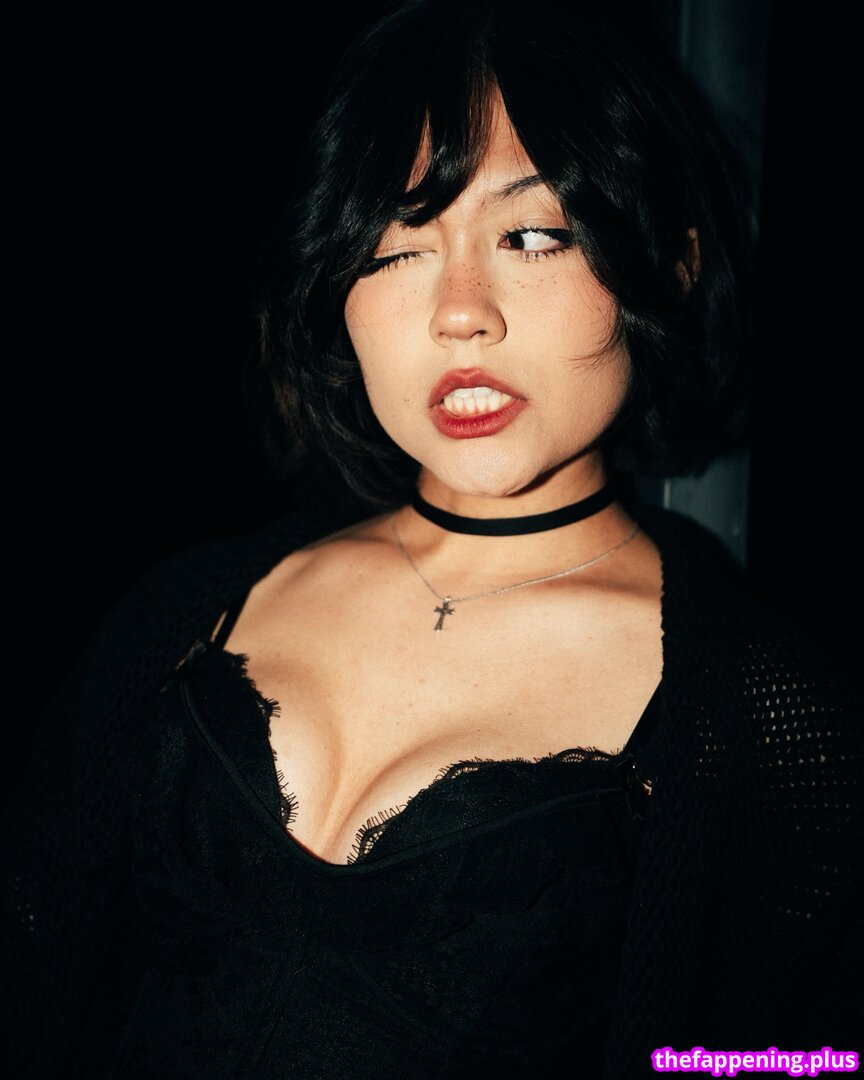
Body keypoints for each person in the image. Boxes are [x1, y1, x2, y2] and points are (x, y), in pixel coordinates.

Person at [2, 1, 860, 1077]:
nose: (460, 312)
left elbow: (807, 1059)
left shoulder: (770, 725)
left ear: (671, 264)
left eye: (533, 235)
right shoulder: (175, 615)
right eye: (398, 245)